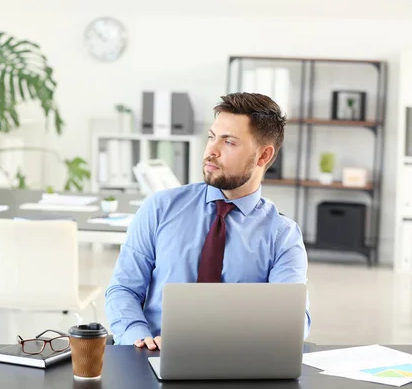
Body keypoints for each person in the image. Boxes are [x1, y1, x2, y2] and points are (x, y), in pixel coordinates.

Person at [104, 92, 311, 350]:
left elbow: (292, 320)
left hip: (236, 363)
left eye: (229, 142)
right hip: (153, 358)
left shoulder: (283, 236)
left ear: (263, 156)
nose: (211, 151)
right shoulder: (160, 208)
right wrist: (137, 338)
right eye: (212, 137)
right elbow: (124, 290)